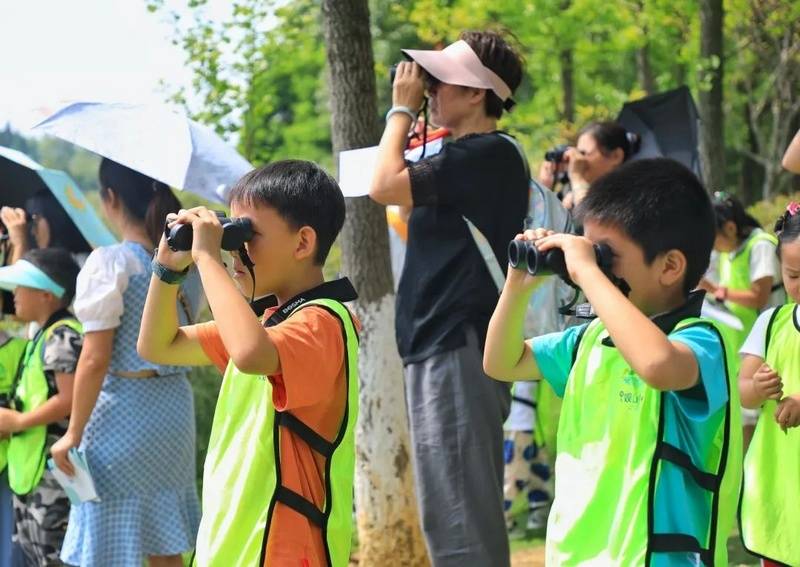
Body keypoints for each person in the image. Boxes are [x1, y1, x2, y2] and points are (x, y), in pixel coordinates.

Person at [484, 158, 742, 565]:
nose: (591, 264)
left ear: (670, 266)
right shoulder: (590, 340)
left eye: (606, 256)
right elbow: (501, 362)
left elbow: (657, 365)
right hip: (578, 555)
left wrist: (588, 273)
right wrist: (517, 286)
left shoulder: (702, 341)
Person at [137, 160, 359, 566]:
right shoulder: (264, 325)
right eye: (229, 233)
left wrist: (206, 258)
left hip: (285, 550)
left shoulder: (322, 324)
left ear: (302, 243)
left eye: (247, 234)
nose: (234, 248)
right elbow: (158, 345)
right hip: (234, 548)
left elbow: (252, 354)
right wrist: (167, 269)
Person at [369, 30, 526, 566]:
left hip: (455, 341)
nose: (428, 90)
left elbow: (383, 184)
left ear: (477, 92)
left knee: (457, 513)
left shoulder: (487, 154)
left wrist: (399, 111)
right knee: (452, 506)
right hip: (440, 342)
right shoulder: (467, 157)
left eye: (439, 81)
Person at [50, 159, 201, 567]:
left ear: (110, 198)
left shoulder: (112, 263)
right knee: (164, 540)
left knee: (107, 539)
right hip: (173, 410)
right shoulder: (191, 263)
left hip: (122, 411)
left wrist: (73, 433)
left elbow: (95, 358)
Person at [0, 248, 82, 565]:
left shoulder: (61, 336)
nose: (14, 295)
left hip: (51, 477)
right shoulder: (43, 335)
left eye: (22, 287)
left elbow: (71, 397)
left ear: (47, 295)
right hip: (32, 472)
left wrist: (19, 421)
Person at [738, 202, 800, 567]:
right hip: (778, 488)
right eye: (794, 275)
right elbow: (744, 390)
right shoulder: (771, 322)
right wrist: (758, 387)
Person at [539, 121, 641, 209]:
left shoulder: (629, 196)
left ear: (616, 156)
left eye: (583, 153)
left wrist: (576, 177)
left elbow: (589, 218)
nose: (578, 159)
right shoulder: (573, 190)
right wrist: (544, 188)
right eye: (577, 153)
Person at [501, 380, 552, 535]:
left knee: (538, 468)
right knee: (515, 474)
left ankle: (538, 512)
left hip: (530, 418)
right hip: (518, 418)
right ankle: (503, 521)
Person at [0, 190, 92, 266]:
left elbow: (20, 286)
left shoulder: (82, 264)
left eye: (36, 220)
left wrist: (20, 242)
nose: (33, 231)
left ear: (54, 218)